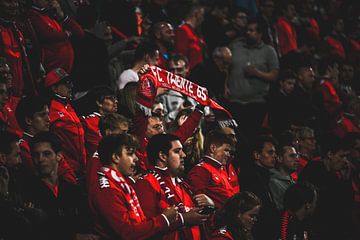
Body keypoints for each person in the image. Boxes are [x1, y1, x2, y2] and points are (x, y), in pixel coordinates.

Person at [88, 133, 179, 240]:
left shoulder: (119, 183)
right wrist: (164, 219)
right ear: (116, 157)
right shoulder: (107, 190)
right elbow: (128, 233)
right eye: (130, 154)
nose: (136, 158)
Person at [135, 134, 212, 239]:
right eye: (177, 151)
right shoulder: (146, 183)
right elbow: (147, 228)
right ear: (162, 156)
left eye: (182, 150)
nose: (183, 155)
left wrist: (210, 206)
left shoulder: (183, 184)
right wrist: (183, 219)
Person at [28, 131, 96, 240]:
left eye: (46, 154)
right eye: (36, 155)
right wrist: (73, 237)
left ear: (59, 156)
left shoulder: (72, 190)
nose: (40, 159)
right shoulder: (27, 191)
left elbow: (86, 222)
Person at [228, 19, 279, 137]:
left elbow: (274, 75)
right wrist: (225, 85)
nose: (248, 33)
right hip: (235, 101)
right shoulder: (235, 47)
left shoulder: (268, 51)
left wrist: (258, 73)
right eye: (247, 30)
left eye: (251, 30)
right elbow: (226, 68)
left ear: (260, 33)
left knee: (252, 135)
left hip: (256, 103)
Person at [299, 135, 354, 240]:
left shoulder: (333, 175)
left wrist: (346, 180)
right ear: (329, 154)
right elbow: (330, 204)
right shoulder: (314, 170)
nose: (345, 161)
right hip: (317, 230)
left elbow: (346, 203)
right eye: (341, 156)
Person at [15, 95, 76, 183]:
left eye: (48, 114)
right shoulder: (22, 147)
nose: (49, 119)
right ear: (29, 120)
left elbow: (68, 172)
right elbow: (39, 176)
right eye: (42, 115)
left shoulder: (50, 140)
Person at [45, 68, 86, 175]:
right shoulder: (50, 109)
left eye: (70, 83)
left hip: (79, 165)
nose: (70, 86)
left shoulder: (68, 107)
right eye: (66, 83)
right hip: (65, 168)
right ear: (54, 88)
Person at [239, 135, 280, 240]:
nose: (275, 156)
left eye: (275, 153)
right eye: (270, 152)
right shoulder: (250, 178)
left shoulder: (265, 177)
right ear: (257, 155)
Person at [28, 0, 84, 72]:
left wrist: (62, 16)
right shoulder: (32, 15)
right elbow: (48, 35)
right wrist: (66, 34)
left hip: (68, 69)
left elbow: (79, 33)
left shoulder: (53, 15)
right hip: (52, 72)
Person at [187, 130, 239, 208]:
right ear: (213, 148)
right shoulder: (201, 170)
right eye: (226, 150)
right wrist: (214, 204)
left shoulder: (220, 170)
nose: (228, 155)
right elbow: (198, 202)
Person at [0, 0, 37, 96]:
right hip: (5, 91)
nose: (13, 5)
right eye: (9, 2)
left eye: (15, 1)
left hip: (21, 90)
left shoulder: (18, 26)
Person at [81, 86, 118, 157]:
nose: (116, 101)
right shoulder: (88, 122)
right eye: (111, 98)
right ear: (99, 103)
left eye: (115, 98)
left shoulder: (118, 120)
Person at [174, 4, 205, 70]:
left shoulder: (196, 33)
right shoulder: (182, 30)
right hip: (190, 73)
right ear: (196, 14)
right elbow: (181, 54)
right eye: (202, 15)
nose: (203, 19)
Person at [269, 144, 298, 210]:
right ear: (279, 158)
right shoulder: (274, 183)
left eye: (296, 156)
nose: (297, 159)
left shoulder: (292, 181)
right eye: (292, 156)